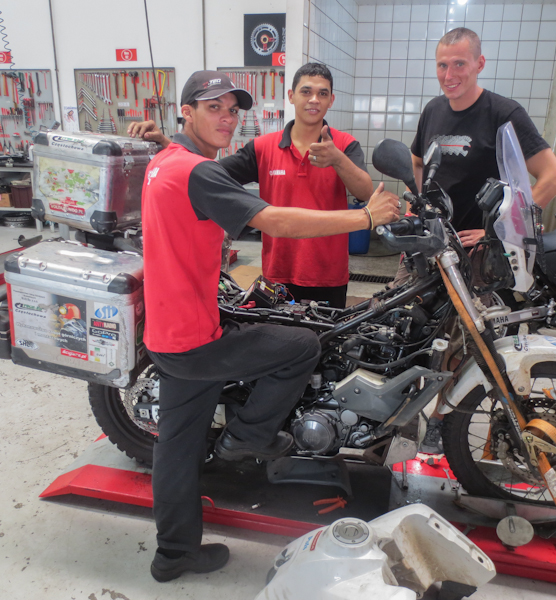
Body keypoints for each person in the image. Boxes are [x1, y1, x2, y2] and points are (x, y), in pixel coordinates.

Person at [141, 71, 400, 583]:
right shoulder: (200, 171)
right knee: (301, 346)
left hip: (169, 329)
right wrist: (365, 219)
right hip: (196, 336)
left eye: (232, 110)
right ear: (186, 112)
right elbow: (275, 220)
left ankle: (173, 554)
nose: (226, 118)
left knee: (176, 448)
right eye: (213, 107)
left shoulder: (166, 161)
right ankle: (247, 437)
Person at [410, 27, 556, 454]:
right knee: (419, 335)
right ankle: (406, 413)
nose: (449, 75)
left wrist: (499, 227)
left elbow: (552, 177)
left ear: (480, 63)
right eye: (442, 65)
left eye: (459, 64)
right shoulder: (433, 110)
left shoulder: (503, 113)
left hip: (477, 254)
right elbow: (417, 160)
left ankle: (443, 420)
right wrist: (420, 205)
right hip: (431, 247)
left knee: (469, 344)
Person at [129, 62, 373, 308]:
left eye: (322, 94)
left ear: (331, 100)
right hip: (278, 273)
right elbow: (206, 172)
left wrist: (338, 160)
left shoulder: (345, 144)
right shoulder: (263, 148)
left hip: (328, 274)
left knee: (327, 333)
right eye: (306, 91)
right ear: (291, 96)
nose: (314, 100)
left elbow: (364, 192)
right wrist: (171, 145)